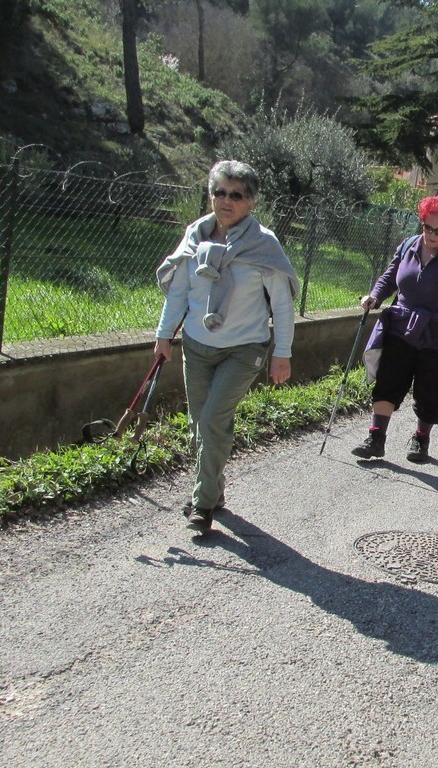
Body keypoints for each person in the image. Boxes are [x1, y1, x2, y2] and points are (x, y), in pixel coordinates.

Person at [155, 160, 299, 531]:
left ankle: (201, 506)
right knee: (198, 425)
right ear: (210, 195)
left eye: (237, 195)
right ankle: (214, 491)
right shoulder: (195, 236)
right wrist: (163, 336)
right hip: (196, 345)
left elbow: (282, 305)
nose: (226, 200)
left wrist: (282, 353)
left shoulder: (263, 245)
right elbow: (180, 293)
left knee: (213, 420)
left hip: (244, 349)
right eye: (220, 192)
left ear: (251, 202)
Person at [352, 195, 438, 462]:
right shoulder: (408, 245)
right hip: (402, 328)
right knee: (388, 382)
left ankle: (421, 438)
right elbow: (390, 275)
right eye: (427, 228)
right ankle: (376, 438)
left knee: (431, 391)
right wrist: (374, 296)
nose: (432, 235)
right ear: (422, 224)